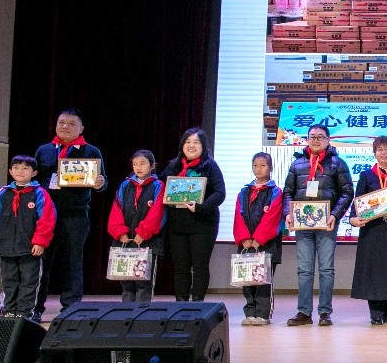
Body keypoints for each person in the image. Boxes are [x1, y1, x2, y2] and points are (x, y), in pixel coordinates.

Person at [33, 108, 106, 322]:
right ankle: (35, 309)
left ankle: (71, 310)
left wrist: (100, 183)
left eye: (71, 123)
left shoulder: (91, 151)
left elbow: (103, 182)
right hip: (44, 217)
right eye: (61, 122)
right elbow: (33, 179)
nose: (65, 126)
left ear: (81, 128)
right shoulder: (44, 150)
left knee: (72, 262)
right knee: (41, 263)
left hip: (75, 216)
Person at [283, 124, 354, 326]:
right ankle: (304, 312)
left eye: (320, 137)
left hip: (326, 224)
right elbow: (287, 192)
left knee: (326, 269)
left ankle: (325, 313)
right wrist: (288, 213)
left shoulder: (338, 163)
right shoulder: (297, 164)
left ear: (328, 140)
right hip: (302, 224)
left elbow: (347, 192)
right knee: (304, 270)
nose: (315, 140)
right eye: (312, 136)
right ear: (307, 139)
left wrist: (335, 215)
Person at [160, 127, 226, 302]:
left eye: (196, 142)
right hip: (177, 225)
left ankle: (197, 304)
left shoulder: (210, 166)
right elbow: (159, 186)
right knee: (180, 267)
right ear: (182, 145)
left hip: (203, 224)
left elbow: (220, 193)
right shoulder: (173, 166)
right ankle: (181, 303)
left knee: (200, 266)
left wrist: (201, 207)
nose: (191, 145)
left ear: (203, 146)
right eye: (187, 142)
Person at [350, 137, 387, 325]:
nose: (384, 153)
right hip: (372, 230)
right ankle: (375, 312)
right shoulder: (367, 176)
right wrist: (353, 218)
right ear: (374, 153)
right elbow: (358, 201)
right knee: (373, 270)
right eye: (380, 149)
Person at [0, 156, 57, 318]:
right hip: (7, 247)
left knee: (29, 281)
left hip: (30, 248)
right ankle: (10, 311)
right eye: (16, 168)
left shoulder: (39, 193)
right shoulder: (3, 193)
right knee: (9, 281)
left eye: (25, 168)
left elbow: (47, 219)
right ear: (10, 171)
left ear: (34, 172)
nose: (20, 171)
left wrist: (40, 242)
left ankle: (24, 313)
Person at [107, 150, 166, 302]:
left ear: (152, 166)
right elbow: (116, 209)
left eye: (142, 163)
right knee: (126, 282)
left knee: (143, 283)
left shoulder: (158, 185)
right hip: (125, 241)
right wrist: (120, 232)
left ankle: (141, 314)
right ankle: (127, 312)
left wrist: (143, 232)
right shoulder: (125, 185)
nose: (138, 167)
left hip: (147, 241)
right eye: (135, 164)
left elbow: (158, 213)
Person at [234, 152, 285, 325]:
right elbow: (238, 216)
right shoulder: (244, 192)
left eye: (263, 165)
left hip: (267, 244)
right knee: (247, 281)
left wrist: (258, 239)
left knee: (263, 281)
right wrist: (244, 238)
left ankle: (263, 314)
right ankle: (250, 312)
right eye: (255, 165)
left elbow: (273, 218)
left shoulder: (276, 192)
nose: (258, 169)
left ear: (270, 168)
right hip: (246, 244)